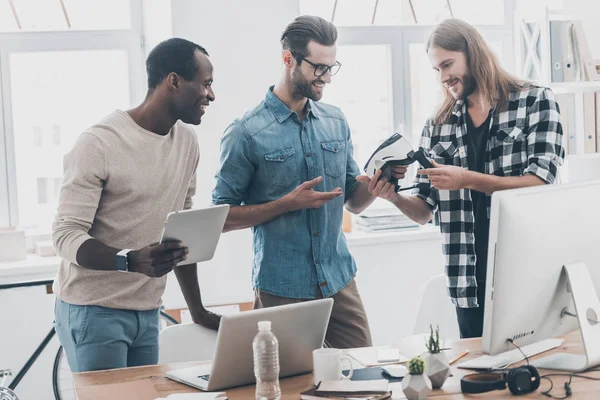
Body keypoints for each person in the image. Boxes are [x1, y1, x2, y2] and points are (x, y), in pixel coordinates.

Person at [360, 19, 565, 338]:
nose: (443, 77)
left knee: (535, 374)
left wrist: (467, 179)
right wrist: (394, 197)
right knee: (479, 378)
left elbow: (541, 184)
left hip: (527, 273)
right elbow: (424, 210)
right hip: (466, 280)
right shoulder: (437, 124)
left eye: (447, 64)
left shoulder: (535, 101)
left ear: (474, 53)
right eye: (436, 70)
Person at [212, 15, 406, 349]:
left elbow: (353, 202)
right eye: (319, 68)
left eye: (332, 67)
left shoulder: (335, 121)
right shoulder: (245, 132)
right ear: (288, 60)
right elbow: (221, 218)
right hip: (281, 287)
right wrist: (286, 204)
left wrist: (378, 182)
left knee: (364, 375)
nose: (327, 78)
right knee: (289, 387)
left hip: (338, 279)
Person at [52, 38, 220, 372]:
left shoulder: (187, 142)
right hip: (94, 309)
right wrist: (128, 261)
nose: (211, 95)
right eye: (206, 84)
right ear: (173, 81)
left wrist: (197, 310)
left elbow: (181, 233)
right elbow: (65, 235)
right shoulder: (99, 143)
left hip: (148, 310)